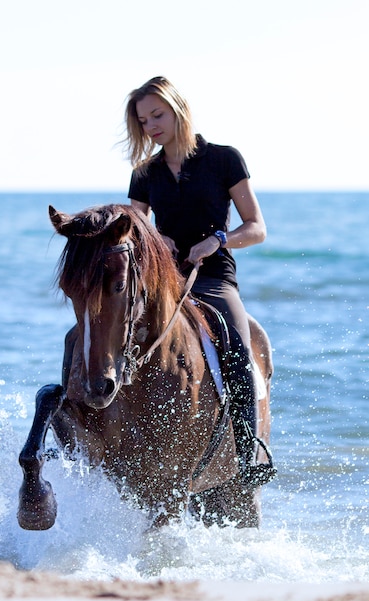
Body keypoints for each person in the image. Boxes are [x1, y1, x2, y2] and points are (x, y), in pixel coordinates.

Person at [124, 76, 275, 487]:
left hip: (213, 277)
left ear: (178, 110)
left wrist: (218, 239)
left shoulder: (224, 159)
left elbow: (257, 228)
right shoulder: (145, 173)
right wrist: (155, 237)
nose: (151, 125)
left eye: (157, 114)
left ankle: (247, 452)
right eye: (143, 120)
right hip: (162, 278)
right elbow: (132, 229)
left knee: (238, 349)